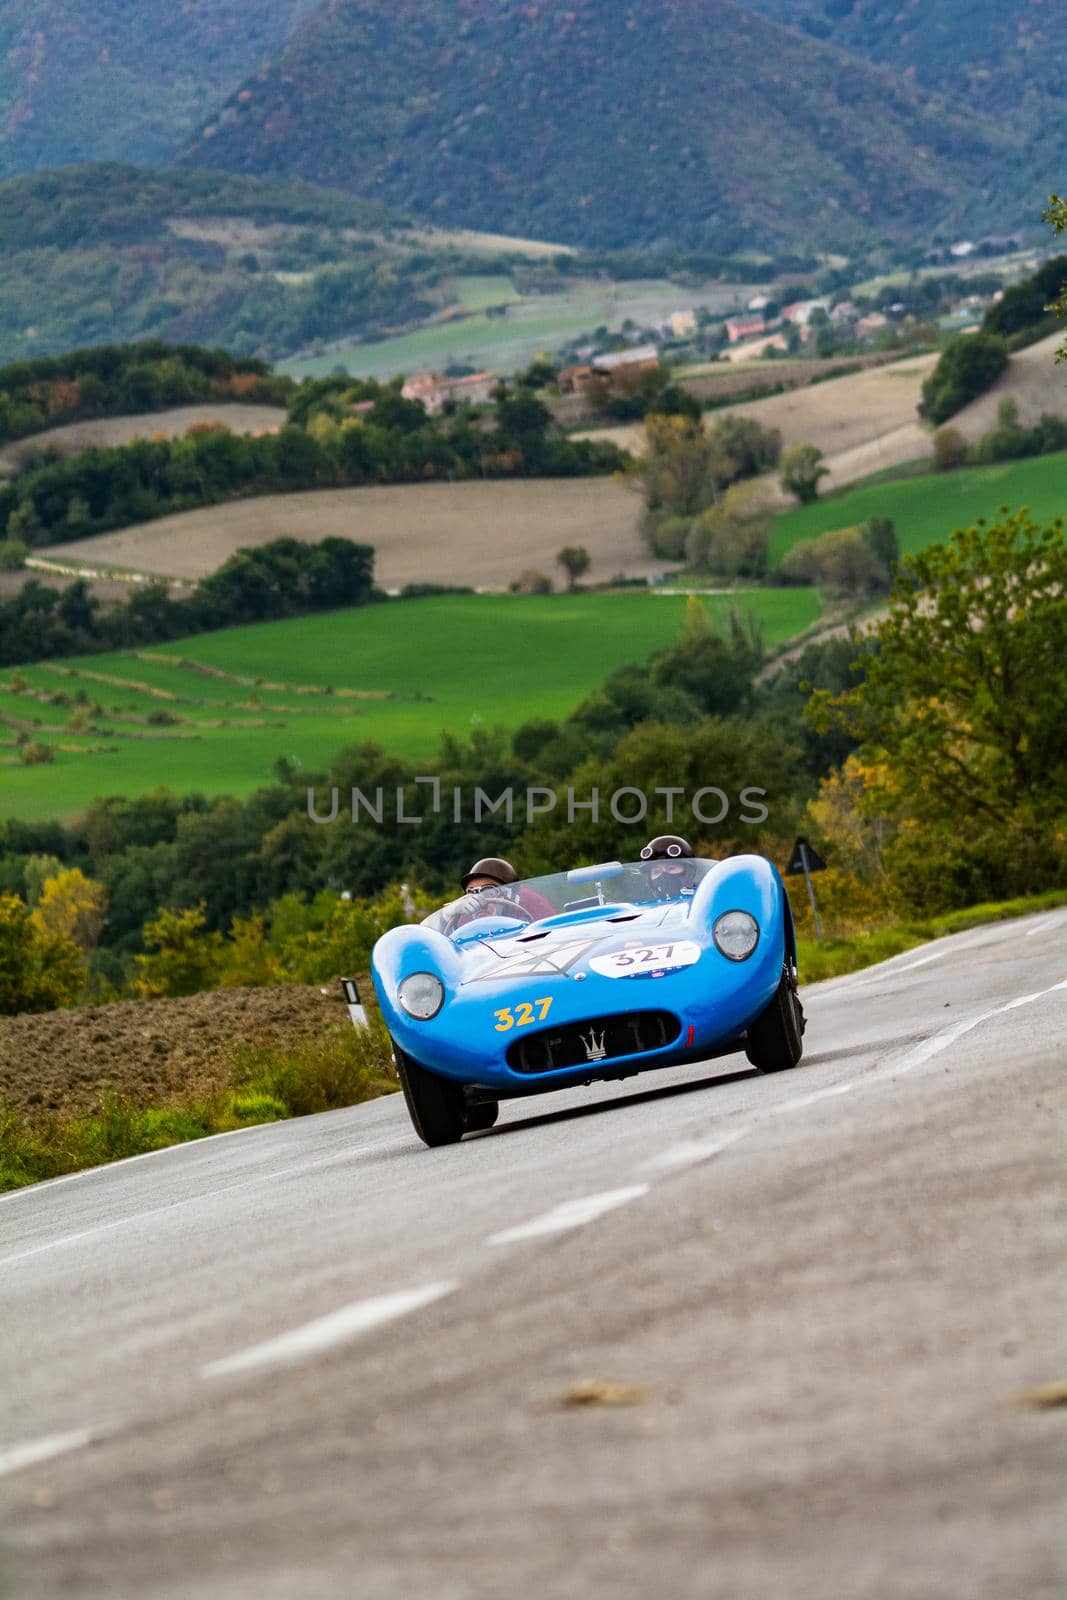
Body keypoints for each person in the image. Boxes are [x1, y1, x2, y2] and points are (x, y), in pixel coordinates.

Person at [638, 833, 700, 899]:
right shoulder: (644, 906)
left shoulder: (705, 898)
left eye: (671, 868)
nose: (664, 875)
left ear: (689, 872)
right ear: (649, 878)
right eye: (656, 871)